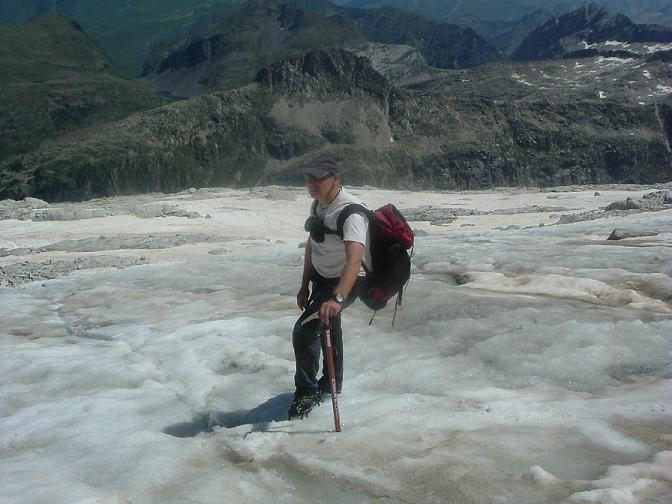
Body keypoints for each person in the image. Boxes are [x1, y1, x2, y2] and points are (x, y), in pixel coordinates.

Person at [288, 156, 372, 419]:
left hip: (345, 282)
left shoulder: (352, 213)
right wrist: (304, 285)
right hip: (323, 280)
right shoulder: (319, 205)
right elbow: (314, 244)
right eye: (309, 178)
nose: (312, 183)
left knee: (304, 330)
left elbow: (355, 260)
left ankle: (307, 391)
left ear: (336, 178)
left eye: (319, 178)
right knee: (328, 327)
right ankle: (332, 382)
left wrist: (337, 298)